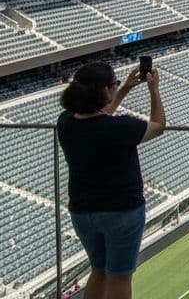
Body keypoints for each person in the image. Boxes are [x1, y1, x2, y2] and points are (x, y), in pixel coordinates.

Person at [56, 63, 166, 299]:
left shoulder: (65, 123)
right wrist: (153, 90)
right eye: (114, 85)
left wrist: (124, 88)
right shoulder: (121, 127)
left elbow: (98, 115)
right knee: (120, 276)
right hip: (121, 211)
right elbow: (158, 126)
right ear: (104, 91)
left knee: (98, 271)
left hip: (83, 212)